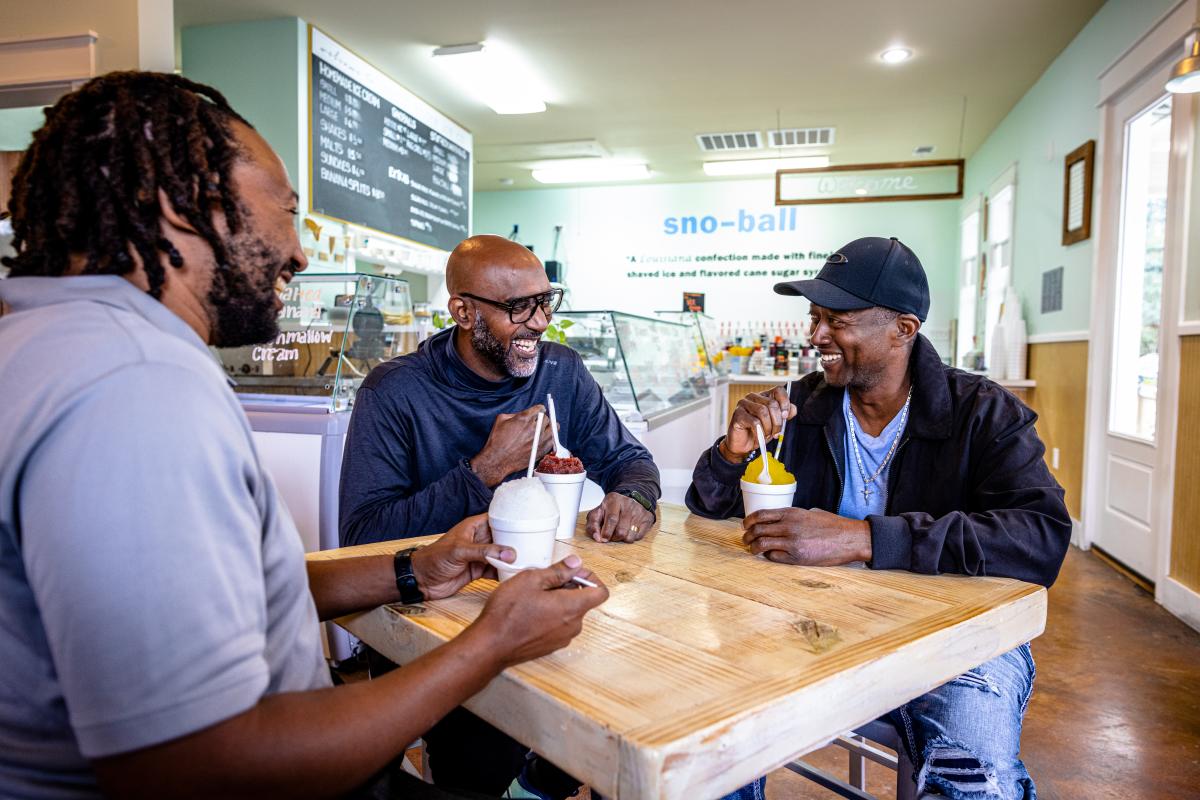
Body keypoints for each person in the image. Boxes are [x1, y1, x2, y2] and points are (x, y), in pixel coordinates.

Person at [0, 71, 607, 800]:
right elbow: (201, 767)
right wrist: (492, 643)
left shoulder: (46, 342)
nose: (299, 251)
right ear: (181, 205)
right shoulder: (133, 384)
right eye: (284, 211)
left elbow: (246, 591)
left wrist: (415, 568)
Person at [687, 236, 1072, 800]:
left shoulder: (984, 413)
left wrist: (863, 538)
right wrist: (731, 451)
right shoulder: (799, 410)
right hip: (806, 627)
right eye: (814, 317)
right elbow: (710, 509)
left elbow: (1039, 538)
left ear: (904, 329)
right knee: (703, 747)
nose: (816, 336)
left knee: (975, 784)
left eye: (837, 320)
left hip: (957, 644)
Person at [338, 234, 660, 798]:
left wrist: (635, 496)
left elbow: (630, 458)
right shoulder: (395, 391)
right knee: (479, 767)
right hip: (433, 626)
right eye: (519, 307)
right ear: (463, 311)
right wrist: (484, 470)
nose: (540, 323)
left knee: (632, 713)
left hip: (542, 603)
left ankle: (544, 779)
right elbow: (363, 535)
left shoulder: (560, 370)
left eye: (546, 301)